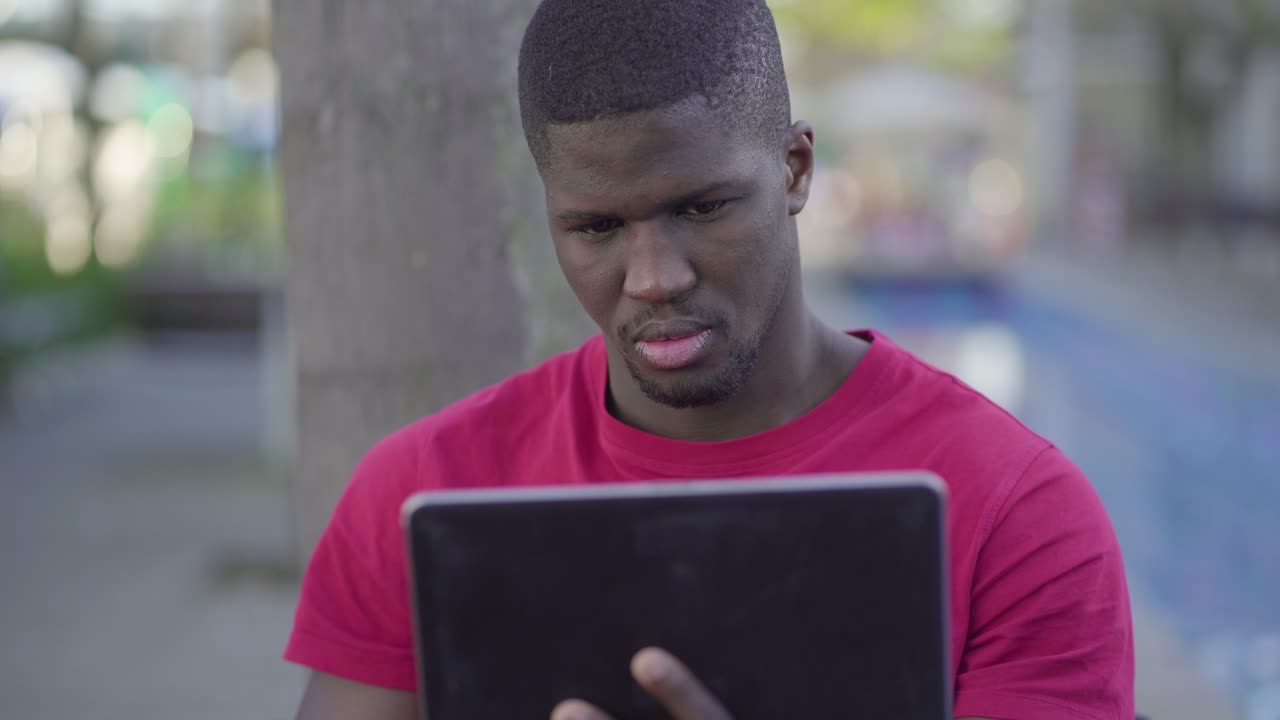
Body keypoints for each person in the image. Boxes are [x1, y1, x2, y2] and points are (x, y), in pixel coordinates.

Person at [285, 1, 1135, 718]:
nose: (655, 278)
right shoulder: (422, 491)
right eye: (596, 228)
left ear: (796, 169)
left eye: (704, 206)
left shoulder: (1014, 515)